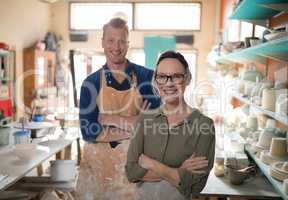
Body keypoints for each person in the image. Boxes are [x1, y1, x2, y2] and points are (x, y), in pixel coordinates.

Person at [76, 18, 160, 200]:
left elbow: (155, 128)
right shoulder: (90, 84)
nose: (116, 46)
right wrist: (135, 126)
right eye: (111, 40)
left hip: (135, 172)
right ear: (103, 43)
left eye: (122, 40)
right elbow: (88, 132)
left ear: (128, 44)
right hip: (97, 173)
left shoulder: (147, 77)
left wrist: (109, 119)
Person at [126, 51, 215, 200]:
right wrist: (178, 172)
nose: (168, 83)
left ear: (187, 79)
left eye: (176, 76)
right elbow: (131, 172)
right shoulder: (144, 119)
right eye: (162, 77)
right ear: (155, 80)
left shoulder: (204, 125)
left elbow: (195, 184)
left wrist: (153, 164)